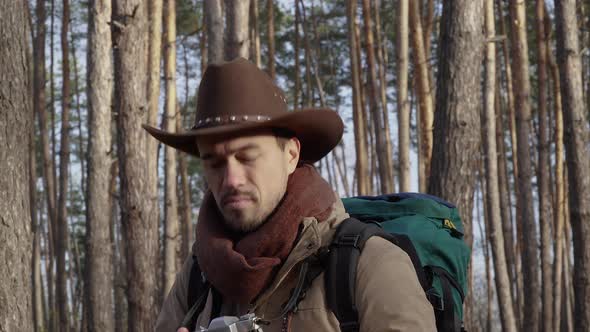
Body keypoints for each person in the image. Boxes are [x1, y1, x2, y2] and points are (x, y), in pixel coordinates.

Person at [146, 58, 435, 332]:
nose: (231, 180)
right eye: (214, 162)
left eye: (247, 157)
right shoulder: (199, 275)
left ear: (291, 155)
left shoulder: (369, 264)